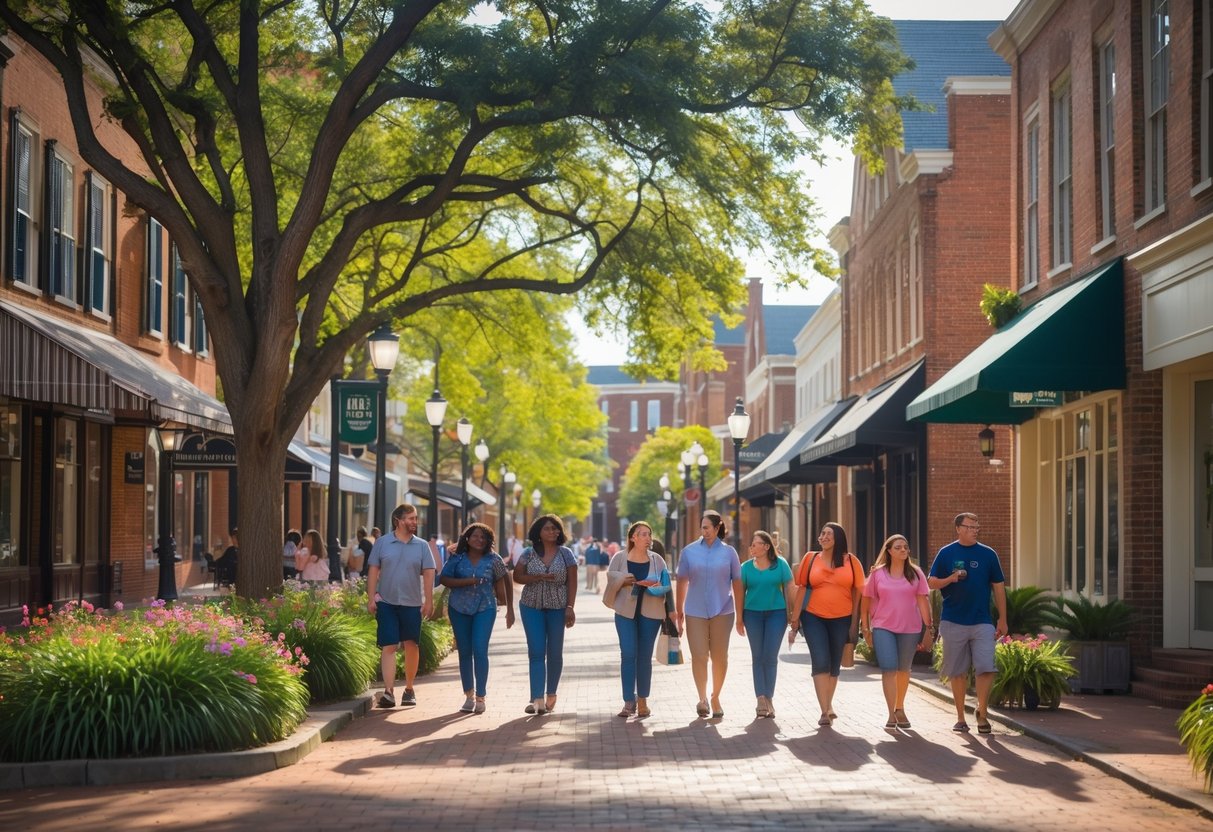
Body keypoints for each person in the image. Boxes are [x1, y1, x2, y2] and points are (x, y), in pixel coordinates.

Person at [928, 512, 1007, 734]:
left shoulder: (988, 554)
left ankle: (982, 712)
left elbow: (999, 587)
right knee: (958, 671)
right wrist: (950, 579)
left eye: (976, 526)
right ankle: (961, 717)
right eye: (970, 526)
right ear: (959, 529)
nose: (975, 530)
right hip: (953, 621)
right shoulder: (946, 553)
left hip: (982, 621)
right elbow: (931, 582)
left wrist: (1003, 618)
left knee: (986, 667)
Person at [790, 521, 864, 727]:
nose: (823, 537)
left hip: (842, 617)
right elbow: (802, 588)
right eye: (822, 533)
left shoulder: (851, 561)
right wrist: (795, 621)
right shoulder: (810, 558)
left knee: (834, 664)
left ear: (838, 538)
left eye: (828, 534)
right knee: (820, 660)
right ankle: (824, 711)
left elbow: (859, 592)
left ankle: (828, 704)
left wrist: (855, 623)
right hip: (813, 616)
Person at [439, 522, 514, 714]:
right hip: (458, 608)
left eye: (483, 537)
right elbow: (444, 579)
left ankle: (481, 696)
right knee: (464, 652)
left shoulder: (493, 559)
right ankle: (469, 696)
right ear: (467, 538)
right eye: (475, 536)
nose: (479, 540)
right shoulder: (457, 558)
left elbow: (506, 578)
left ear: (488, 541)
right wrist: (469, 581)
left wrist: (510, 609)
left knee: (480, 649)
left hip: (485, 607)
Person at [673, 510, 742, 719]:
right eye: (702, 528)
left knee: (720, 657)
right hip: (695, 610)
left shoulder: (730, 552)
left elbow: (737, 583)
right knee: (699, 656)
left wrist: (740, 615)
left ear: (717, 527)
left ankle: (715, 697)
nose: (704, 532)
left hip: (723, 610)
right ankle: (702, 698)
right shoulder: (689, 552)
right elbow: (682, 581)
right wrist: (679, 611)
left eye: (707, 528)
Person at [861, 534, 934, 729]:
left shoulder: (916, 573)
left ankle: (899, 708)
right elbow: (866, 601)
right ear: (889, 551)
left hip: (910, 628)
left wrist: (929, 627)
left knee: (903, 669)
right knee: (889, 668)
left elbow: (923, 601)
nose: (903, 550)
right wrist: (866, 628)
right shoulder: (877, 574)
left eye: (905, 547)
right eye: (898, 547)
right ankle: (890, 713)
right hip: (883, 627)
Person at [367, 504, 435, 708]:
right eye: (410, 518)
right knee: (389, 645)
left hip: (412, 604)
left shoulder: (422, 546)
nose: (415, 522)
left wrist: (429, 600)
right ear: (398, 520)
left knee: (411, 645)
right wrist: (371, 597)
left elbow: (429, 571)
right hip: (387, 602)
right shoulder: (382, 543)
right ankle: (388, 692)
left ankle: (409, 688)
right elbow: (373, 570)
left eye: (415, 518)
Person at [604, 521, 671, 719]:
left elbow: (667, 585)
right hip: (625, 612)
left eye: (649, 534)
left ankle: (642, 701)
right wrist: (623, 580)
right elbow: (610, 578)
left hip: (651, 613)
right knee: (628, 653)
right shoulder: (619, 557)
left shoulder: (657, 560)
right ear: (633, 537)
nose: (648, 538)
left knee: (644, 657)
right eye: (643, 534)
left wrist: (656, 586)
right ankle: (628, 702)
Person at [513, 513, 578, 715]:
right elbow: (517, 577)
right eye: (548, 528)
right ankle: (536, 698)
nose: (553, 531)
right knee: (536, 651)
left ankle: (551, 693)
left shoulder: (566, 553)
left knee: (555, 652)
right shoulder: (528, 553)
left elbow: (572, 582)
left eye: (556, 528)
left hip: (558, 607)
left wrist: (570, 607)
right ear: (538, 533)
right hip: (531, 606)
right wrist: (538, 576)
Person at [739, 530, 794, 719]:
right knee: (758, 656)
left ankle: (769, 698)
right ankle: (760, 699)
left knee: (770, 657)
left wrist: (791, 614)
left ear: (766, 546)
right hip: (752, 614)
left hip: (777, 615)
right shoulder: (745, 568)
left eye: (755, 544)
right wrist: (739, 618)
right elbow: (740, 593)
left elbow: (790, 587)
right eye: (751, 544)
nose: (752, 547)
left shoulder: (781, 564)